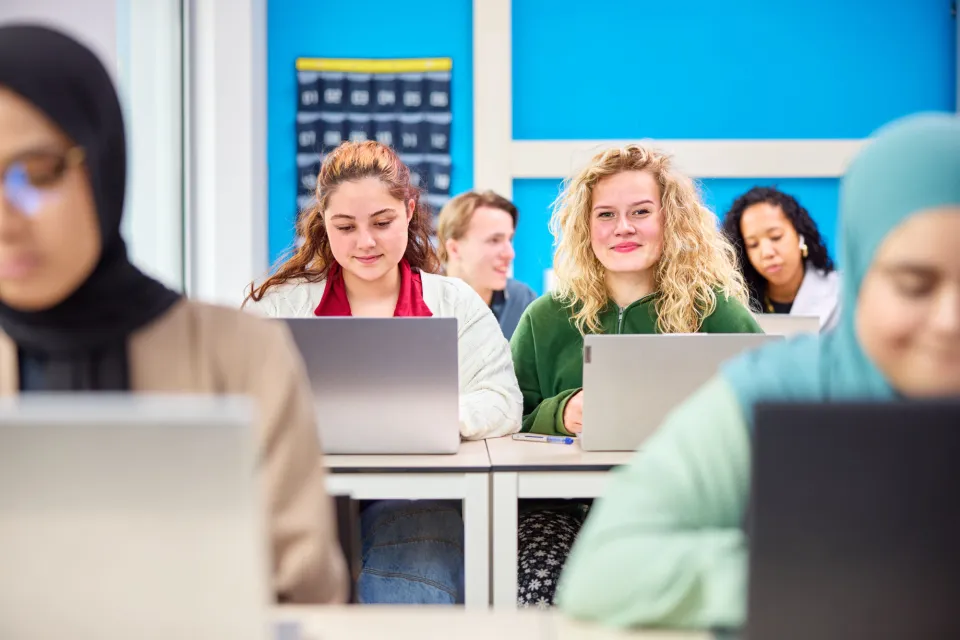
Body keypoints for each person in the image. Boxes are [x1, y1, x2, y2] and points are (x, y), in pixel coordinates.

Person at [556, 113, 960, 629]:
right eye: (914, 284)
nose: (949, 322)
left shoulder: (719, 311)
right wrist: (838, 577)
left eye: (640, 211)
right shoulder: (777, 394)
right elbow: (607, 568)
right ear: (861, 276)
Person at [0, 25, 347, 604]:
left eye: (36, 174)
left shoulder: (238, 354)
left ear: (103, 162)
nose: (8, 219)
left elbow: (303, 590)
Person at [243, 140, 522, 604]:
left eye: (382, 222)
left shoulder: (455, 303)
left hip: (417, 497)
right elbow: (237, 399)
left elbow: (503, 401)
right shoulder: (280, 306)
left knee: (415, 575)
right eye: (345, 226)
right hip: (304, 496)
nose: (365, 242)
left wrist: (433, 417)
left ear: (409, 210)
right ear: (324, 224)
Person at [510, 143, 762, 608]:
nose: (622, 228)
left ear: (670, 219)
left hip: (683, 510)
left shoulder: (716, 311)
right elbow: (507, 418)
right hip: (557, 510)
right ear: (586, 227)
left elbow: (763, 410)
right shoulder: (544, 318)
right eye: (605, 214)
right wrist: (561, 413)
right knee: (542, 593)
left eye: (641, 211)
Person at [722, 186, 840, 330]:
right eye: (753, 244)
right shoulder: (735, 302)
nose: (766, 253)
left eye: (776, 237)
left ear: (800, 235)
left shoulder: (842, 292)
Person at [437, 190, 537, 339]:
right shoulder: (419, 303)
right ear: (454, 249)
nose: (510, 254)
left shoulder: (523, 301)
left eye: (509, 239)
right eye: (495, 240)